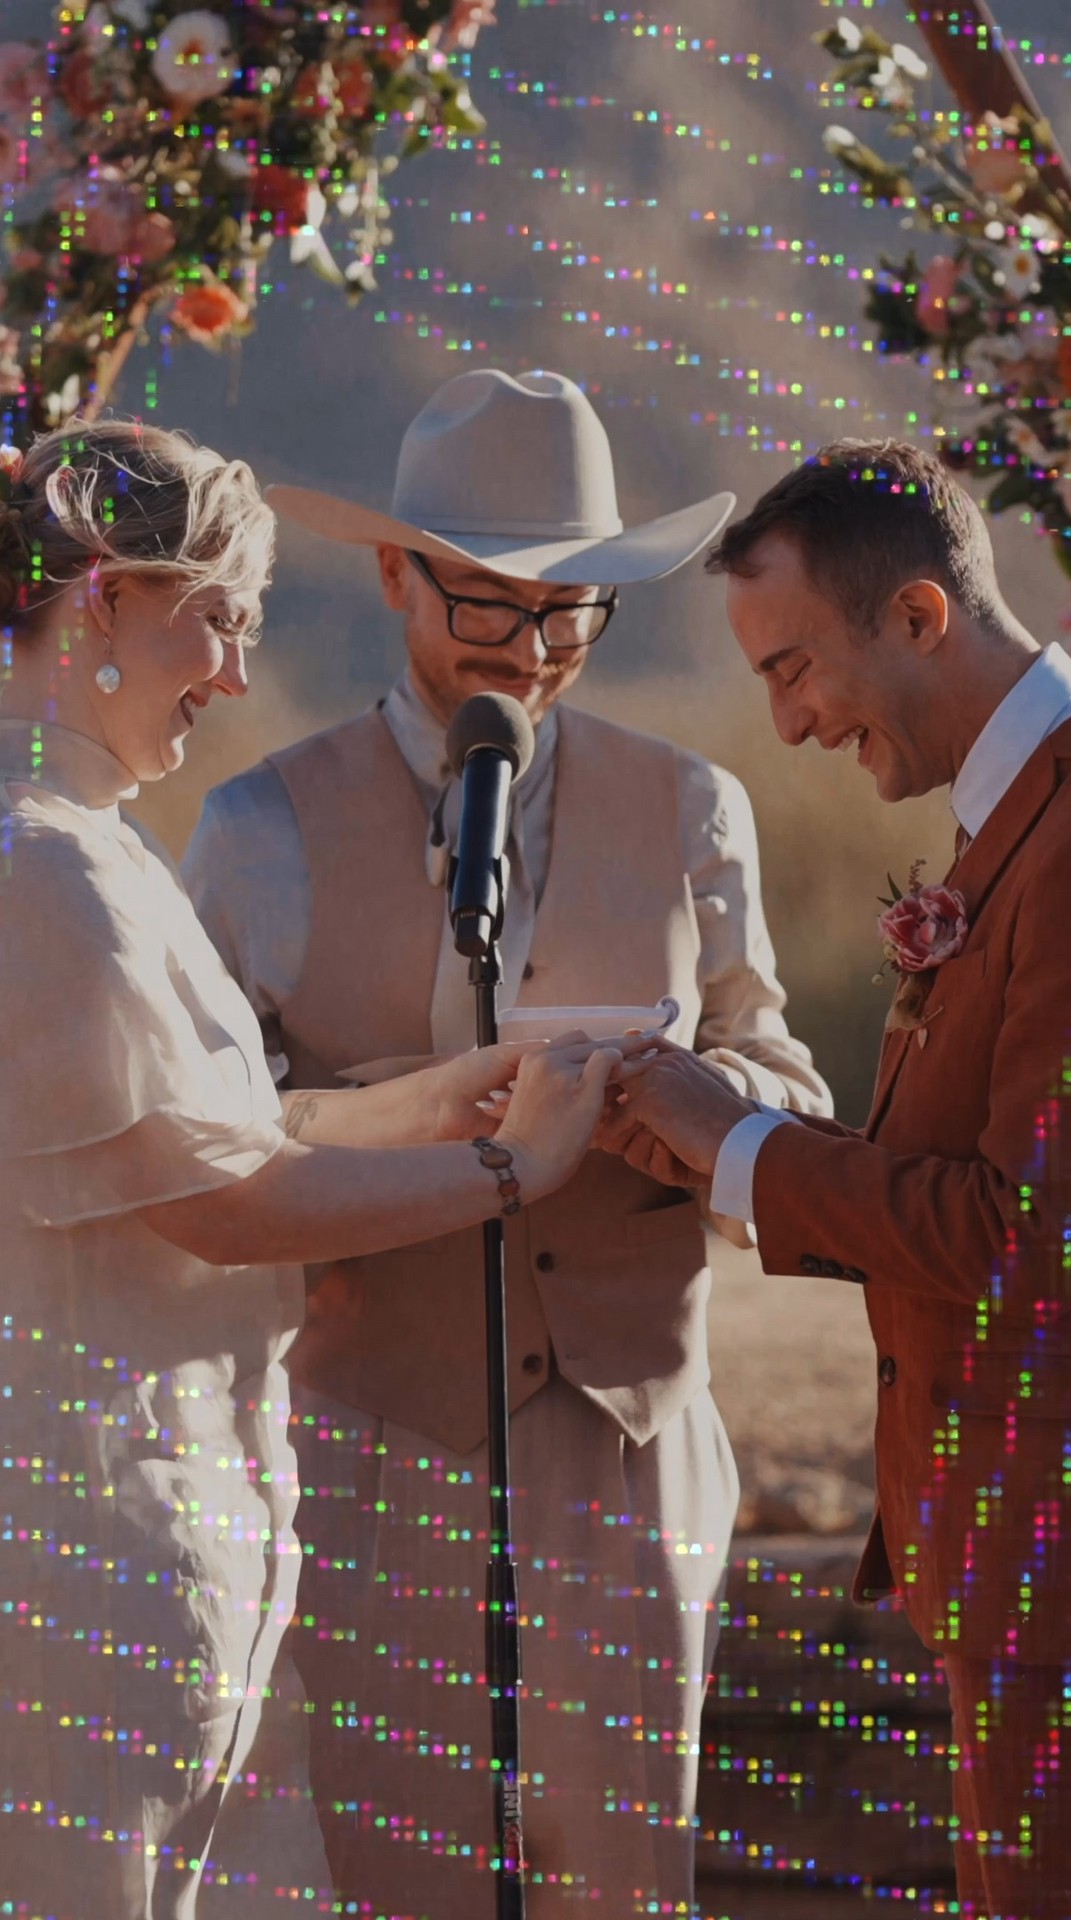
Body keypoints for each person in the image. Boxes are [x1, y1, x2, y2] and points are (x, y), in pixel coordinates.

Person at [183, 366, 832, 1915]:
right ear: (397, 573)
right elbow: (201, 1147)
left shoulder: (695, 808)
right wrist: (425, 1105)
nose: (534, 655)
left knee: (622, 1875)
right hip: (368, 1441)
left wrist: (703, 1112)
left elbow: (782, 1076)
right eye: (491, 608)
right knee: (389, 1870)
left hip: (628, 1439)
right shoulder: (256, 828)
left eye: (571, 612)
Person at [0, 417, 634, 1920]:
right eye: (215, 620)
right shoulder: (46, 868)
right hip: (84, 1546)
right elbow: (219, 1207)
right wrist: (508, 1178)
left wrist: (432, 1107)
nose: (232, 674)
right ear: (102, 596)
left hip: (166, 1520)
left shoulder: (98, 851)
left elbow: (221, 1134)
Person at [601, 438, 1071, 1920]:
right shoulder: (1010, 819)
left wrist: (740, 1138)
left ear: (922, 618)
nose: (789, 723)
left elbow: (1024, 1241)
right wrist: (725, 1153)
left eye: (796, 667)